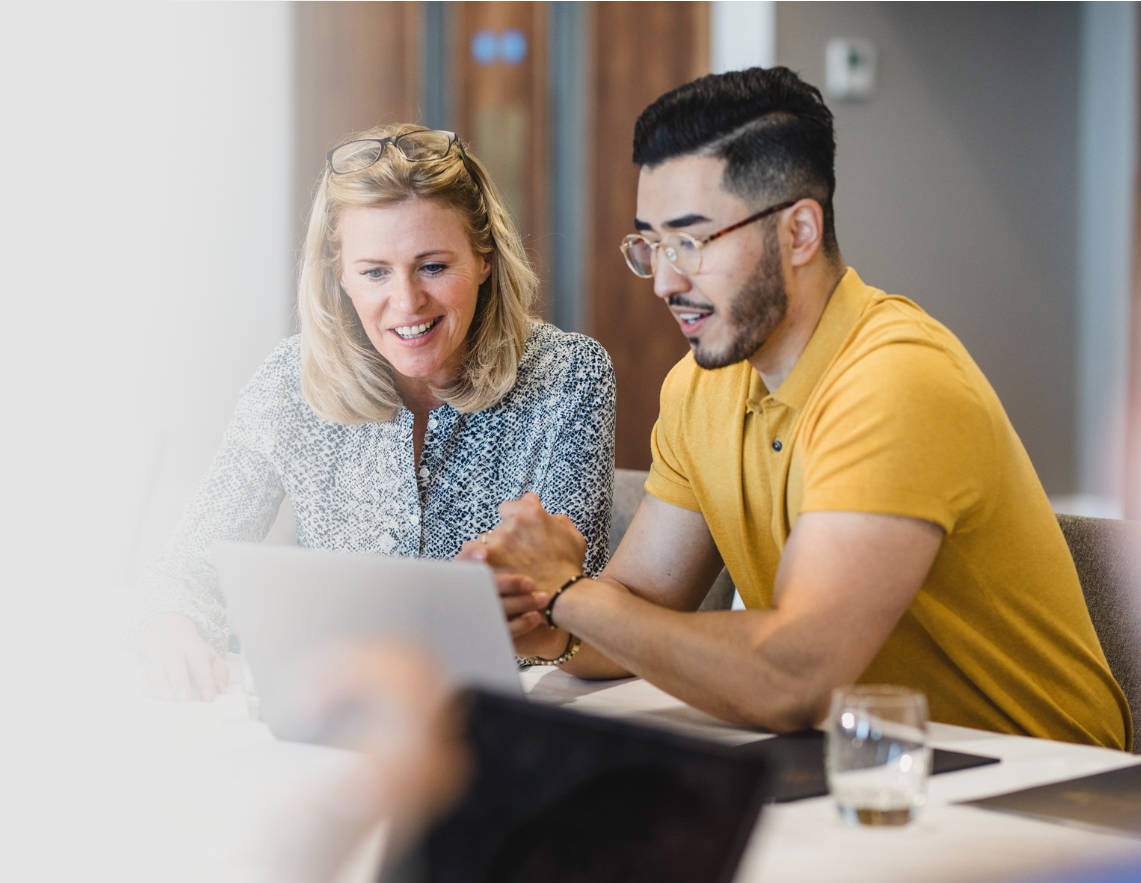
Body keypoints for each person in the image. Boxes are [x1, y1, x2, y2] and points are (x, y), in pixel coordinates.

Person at [463, 67, 1132, 750]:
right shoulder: (699, 388)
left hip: (1045, 780)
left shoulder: (893, 379)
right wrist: (540, 613)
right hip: (866, 757)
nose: (664, 281)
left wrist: (571, 595)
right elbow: (635, 614)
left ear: (799, 232)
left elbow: (794, 678)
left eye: (690, 242)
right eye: (652, 245)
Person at [138, 124, 615, 700]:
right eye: (374, 272)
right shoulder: (290, 380)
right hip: (335, 707)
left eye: (433, 267)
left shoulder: (569, 374)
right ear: (340, 275)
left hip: (508, 713)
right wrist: (176, 625)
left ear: (484, 258)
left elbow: (576, 611)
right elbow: (188, 566)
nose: (406, 302)